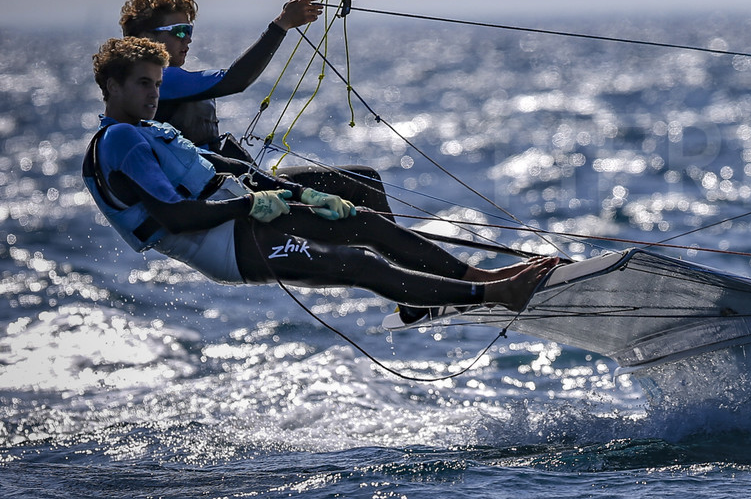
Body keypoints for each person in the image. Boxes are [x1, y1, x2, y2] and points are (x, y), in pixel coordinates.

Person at [83, 37, 554, 310]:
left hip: (237, 219)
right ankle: (492, 293)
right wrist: (250, 203)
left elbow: (218, 166)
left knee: (366, 223)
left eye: (158, 84)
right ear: (111, 86)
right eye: (143, 84)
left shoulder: (145, 129)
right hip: (221, 243)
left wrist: (295, 194)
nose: (153, 94)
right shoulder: (120, 140)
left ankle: (479, 276)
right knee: (360, 263)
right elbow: (177, 217)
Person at [120, 0, 391, 214]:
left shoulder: (174, 79)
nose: (188, 39)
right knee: (364, 184)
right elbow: (235, 80)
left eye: (190, 31)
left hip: (244, 182)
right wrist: (282, 24)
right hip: (229, 196)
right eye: (180, 31)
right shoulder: (162, 81)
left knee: (364, 182)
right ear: (145, 37)